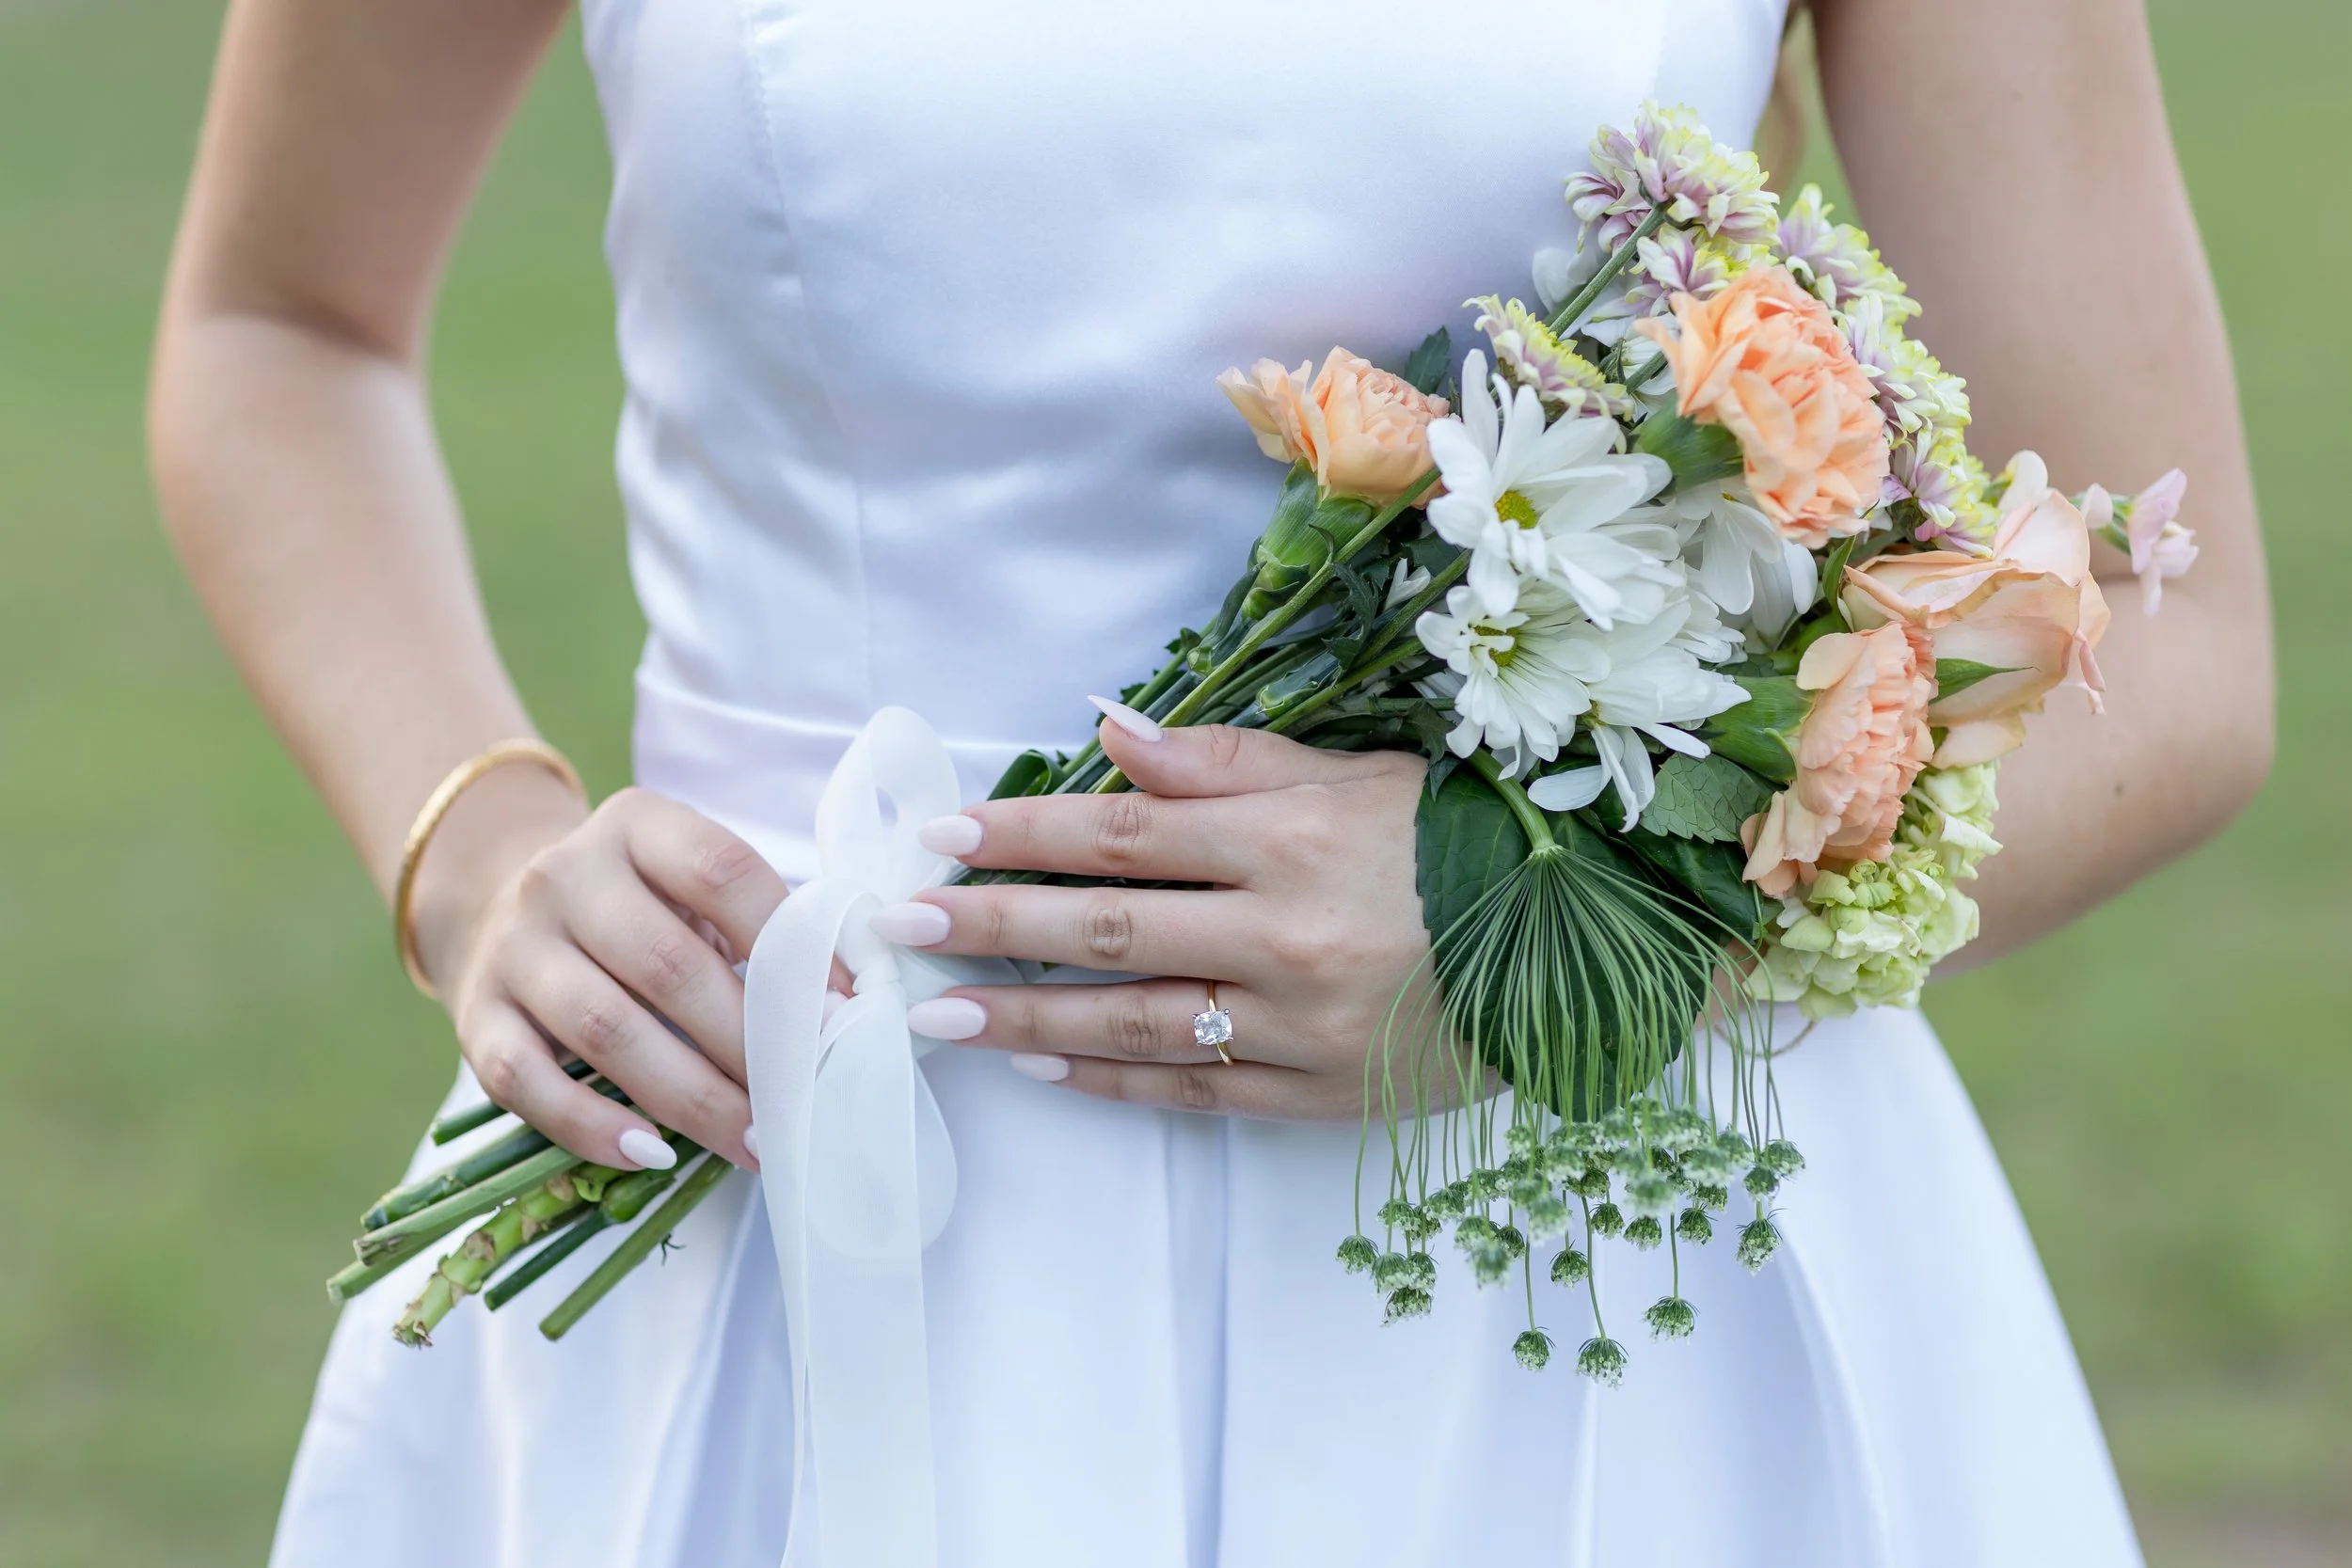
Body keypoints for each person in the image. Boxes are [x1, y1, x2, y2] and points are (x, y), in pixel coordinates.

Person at [149, 1, 2272, 1563]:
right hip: (781, 1168)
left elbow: (2165, 641)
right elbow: (279, 322)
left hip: (1569, 1264)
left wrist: (1575, 931)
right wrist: (478, 845)